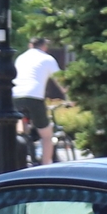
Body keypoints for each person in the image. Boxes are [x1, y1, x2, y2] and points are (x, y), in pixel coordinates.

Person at [13, 35, 67, 165]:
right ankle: (45, 165)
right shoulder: (47, 59)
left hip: (16, 96)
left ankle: (22, 153)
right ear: (44, 47)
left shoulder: (21, 58)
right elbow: (61, 82)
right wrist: (70, 99)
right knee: (46, 135)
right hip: (34, 97)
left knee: (22, 129)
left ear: (30, 45)